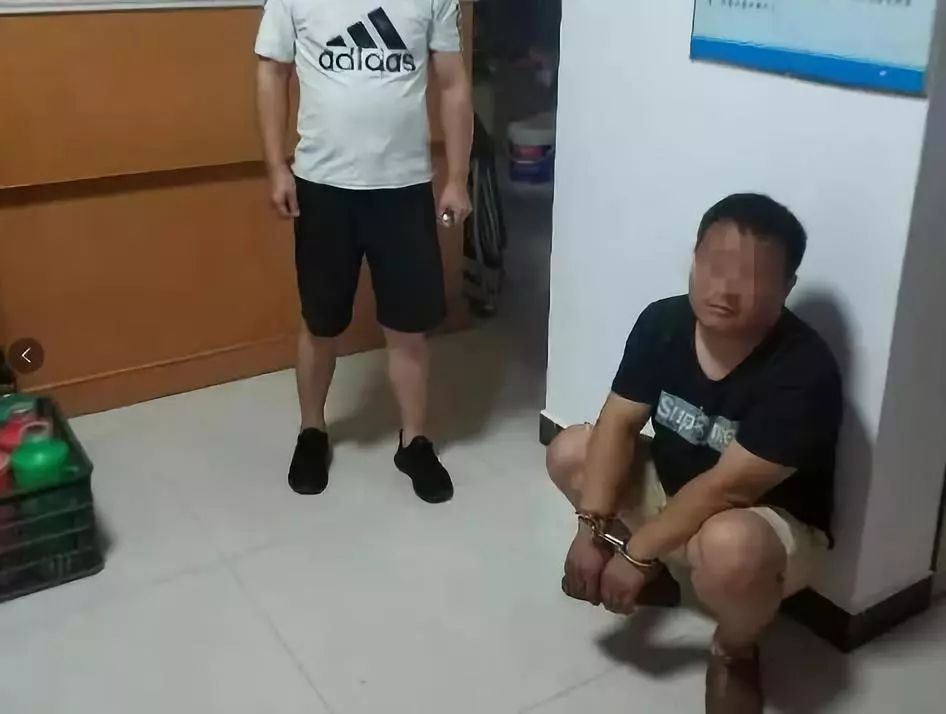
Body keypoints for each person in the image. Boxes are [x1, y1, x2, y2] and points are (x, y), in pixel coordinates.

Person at [546, 194, 842, 714]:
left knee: (729, 545)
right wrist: (590, 528)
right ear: (694, 259)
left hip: (760, 523)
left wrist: (636, 552)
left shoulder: (803, 369)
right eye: (713, 265)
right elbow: (618, 422)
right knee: (571, 448)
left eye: (750, 276)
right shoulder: (663, 321)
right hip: (678, 490)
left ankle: (734, 651)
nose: (724, 288)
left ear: (786, 286)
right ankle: (659, 575)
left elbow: (728, 489)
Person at [255, 0, 473, 502]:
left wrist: (458, 178)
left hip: (404, 188)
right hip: (322, 186)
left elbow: (453, 84)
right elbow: (271, 73)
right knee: (321, 321)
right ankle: (312, 431)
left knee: (408, 327)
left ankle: (414, 441)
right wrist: (276, 167)